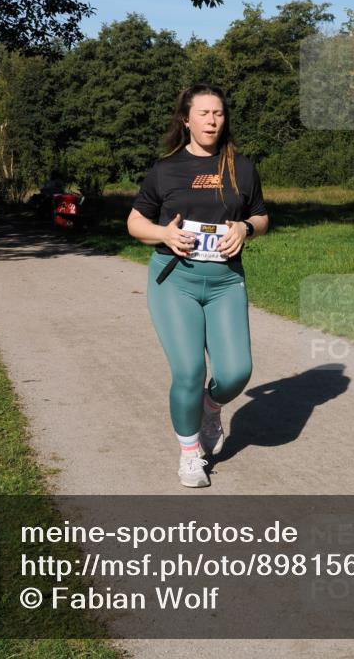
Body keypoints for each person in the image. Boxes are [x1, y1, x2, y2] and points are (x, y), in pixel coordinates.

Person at [127, 84, 269, 488]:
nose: (212, 121)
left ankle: (210, 406)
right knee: (189, 369)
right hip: (176, 280)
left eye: (218, 113)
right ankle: (190, 453)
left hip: (226, 281)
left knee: (237, 371)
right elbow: (134, 222)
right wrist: (163, 234)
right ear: (186, 119)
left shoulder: (242, 168)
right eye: (203, 113)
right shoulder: (165, 169)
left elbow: (261, 217)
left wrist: (245, 228)